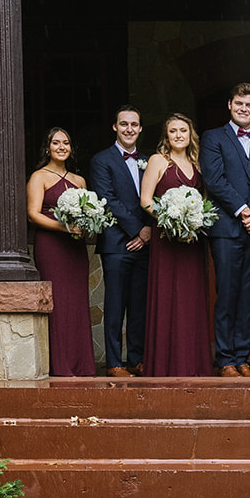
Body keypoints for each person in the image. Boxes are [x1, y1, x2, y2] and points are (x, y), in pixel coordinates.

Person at [199, 83, 250, 377]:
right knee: (227, 293)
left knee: (248, 294)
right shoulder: (213, 138)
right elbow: (215, 181)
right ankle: (226, 359)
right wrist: (245, 211)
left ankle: (242, 356)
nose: (244, 109)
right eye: (239, 103)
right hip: (228, 229)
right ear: (230, 105)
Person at [140, 113, 214, 377]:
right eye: (173, 131)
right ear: (166, 136)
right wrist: (172, 219)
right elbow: (146, 200)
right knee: (168, 297)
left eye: (183, 130)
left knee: (191, 299)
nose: (179, 135)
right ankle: (165, 365)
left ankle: (193, 364)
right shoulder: (158, 161)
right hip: (167, 239)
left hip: (192, 241)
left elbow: (204, 201)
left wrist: (193, 221)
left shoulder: (198, 164)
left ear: (190, 134)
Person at [27, 127, 95, 376]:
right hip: (51, 246)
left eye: (66, 143)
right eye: (56, 143)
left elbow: (87, 214)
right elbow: (33, 214)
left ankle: (81, 363)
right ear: (47, 148)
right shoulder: (39, 177)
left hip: (75, 250)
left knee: (76, 302)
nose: (61, 147)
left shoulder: (79, 181)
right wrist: (64, 227)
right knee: (57, 302)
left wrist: (87, 225)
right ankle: (60, 364)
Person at [89, 105, 151, 377]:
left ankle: (136, 358)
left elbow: (155, 200)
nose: (129, 129)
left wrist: (148, 229)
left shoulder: (148, 160)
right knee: (115, 304)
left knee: (139, 304)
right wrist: (139, 230)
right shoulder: (102, 160)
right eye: (123, 124)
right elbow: (108, 200)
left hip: (145, 243)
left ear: (140, 128)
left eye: (134, 124)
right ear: (115, 127)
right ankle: (115, 363)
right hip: (117, 244)